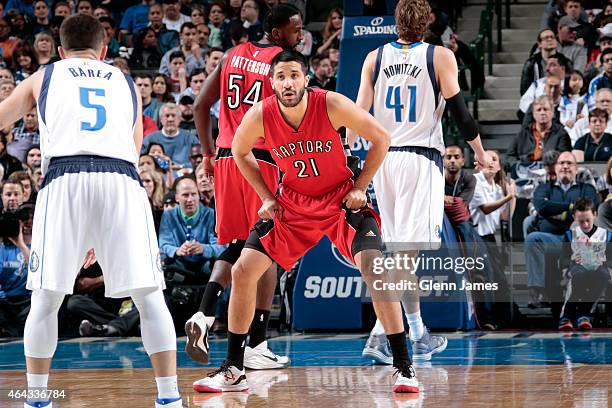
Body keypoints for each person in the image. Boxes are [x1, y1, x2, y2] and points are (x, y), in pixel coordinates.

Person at [194, 49, 418, 394]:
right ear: (271, 83)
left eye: (294, 75)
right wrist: (267, 196)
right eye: (281, 77)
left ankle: (403, 366)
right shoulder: (261, 115)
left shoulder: (331, 104)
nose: (288, 82)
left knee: (375, 268)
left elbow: (381, 139)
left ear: (306, 79)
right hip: (293, 205)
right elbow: (239, 152)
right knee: (242, 270)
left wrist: (360, 187)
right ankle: (234, 369)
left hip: (340, 198)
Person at [0, 14, 182, 407]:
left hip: (65, 177)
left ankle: (36, 399)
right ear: (103, 50)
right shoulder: (126, 82)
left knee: (46, 300)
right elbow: (134, 149)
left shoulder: (45, 75)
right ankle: (170, 398)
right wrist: (100, 229)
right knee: (151, 297)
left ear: (61, 51)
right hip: (121, 178)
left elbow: (3, 116)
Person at [347, 0, 491, 364]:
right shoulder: (439, 56)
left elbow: (358, 113)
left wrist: (347, 153)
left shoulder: (374, 58)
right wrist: (482, 152)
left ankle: (418, 333)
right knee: (403, 256)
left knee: (399, 255)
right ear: (428, 22)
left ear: (394, 23)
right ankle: (383, 334)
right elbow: (459, 111)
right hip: (421, 159)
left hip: (384, 161)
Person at [185, 4, 304, 370]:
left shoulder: (232, 55)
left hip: (225, 158)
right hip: (262, 160)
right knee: (268, 245)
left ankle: (205, 315)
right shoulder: (283, 64)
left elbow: (201, 106)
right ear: (278, 31)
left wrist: (206, 154)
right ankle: (257, 343)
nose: (300, 35)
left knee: (239, 245)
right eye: (295, 29)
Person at [525, 151, 600, 308]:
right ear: (555, 167)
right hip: (552, 239)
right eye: (561, 163)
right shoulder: (545, 188)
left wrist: (552, 211)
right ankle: (538, 291)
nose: (565, 166)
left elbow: (587, 209)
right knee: (533, 238)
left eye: (569, 163)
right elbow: (541, 206)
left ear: (576, 168)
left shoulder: (586, 188)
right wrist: (571, 207)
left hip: (577, 240)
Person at [558, 198, 612, 331]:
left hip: (599, 268)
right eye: (581, 221)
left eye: (588, 220)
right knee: (578, 275)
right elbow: (562, 260)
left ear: (595, 215)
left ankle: (584, 314)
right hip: (577, 268)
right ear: (574, 218)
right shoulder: (570, 235)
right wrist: (571, 260)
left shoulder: (606, 236)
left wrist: (601, 260)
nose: (586, 225)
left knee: (604, 275)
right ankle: (567, 316)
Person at [159, 177, 225, 276]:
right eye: (185, 195)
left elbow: (221, 247)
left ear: (198, 196)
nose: (190, 199)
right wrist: (177, 251)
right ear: (177, 198)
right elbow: (164, 245)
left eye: (193, 194)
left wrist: (203, 248)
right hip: (178, 267)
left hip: (206, 267)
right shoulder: (168, 216)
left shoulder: (211, 215)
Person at [508, 95, 572, 163]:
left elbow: (564, 158)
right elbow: (509, 157)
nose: (542, 113)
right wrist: (520, 165)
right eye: (539, 110)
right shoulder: (523, 134)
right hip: (525, 170)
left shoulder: (562, 133)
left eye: (545, 109)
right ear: (533, 113)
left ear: (552, 112)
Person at [520, 29, 559, 96]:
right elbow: (525, 89)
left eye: (552, 37)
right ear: (539, 44)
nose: (550, 39)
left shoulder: (565, 61)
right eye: (546, 38)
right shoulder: (531, 63)